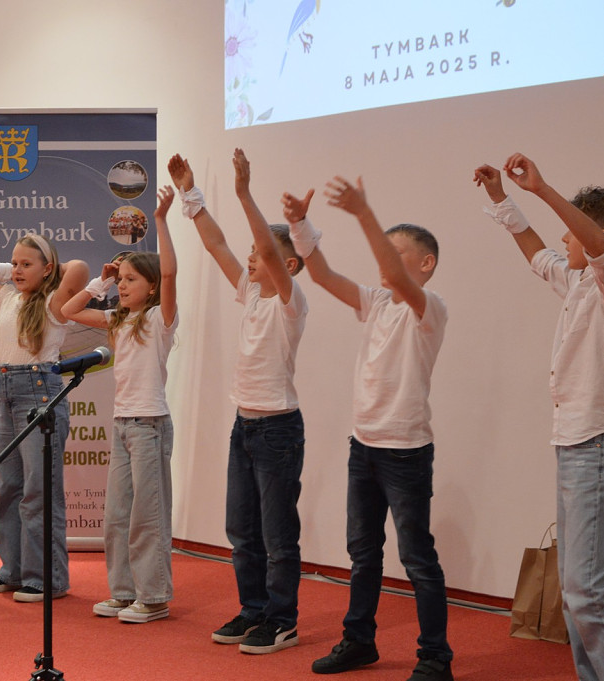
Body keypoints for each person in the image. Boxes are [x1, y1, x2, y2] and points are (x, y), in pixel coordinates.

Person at [474, 153, 604, 681]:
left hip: (599, 441)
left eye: (571, 231)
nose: (563, 239)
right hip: (577, 441)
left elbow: (600, 248)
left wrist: (542, 189)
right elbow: (537, 254)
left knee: (590, 590)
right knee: (578, 590)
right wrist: (501, 199)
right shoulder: (580, 285)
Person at [287, 177, 454, 681]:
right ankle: (359, 641)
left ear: (425, 263)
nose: (385, 262)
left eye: (397, 252)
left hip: (406, 452)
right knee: (362, 554)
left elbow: (394, 275)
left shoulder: (429, 306)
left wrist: (363, 213)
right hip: (364, 447)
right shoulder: (376, 302)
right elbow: (321, 274)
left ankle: (435, 657)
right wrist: (300, 224)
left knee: (417, 558)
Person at [169, 149, 308, 654]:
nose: (251, 257)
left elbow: (267, 248)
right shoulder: (251, 292)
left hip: (278, 430)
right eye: (252, 251)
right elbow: (216, 244)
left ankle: (282, 619)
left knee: (277, 533)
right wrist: (190, 193)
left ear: (288, 265)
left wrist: (245, 193)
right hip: (244, 425)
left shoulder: (291, 302)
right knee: (241, 529)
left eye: (261, 252)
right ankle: (253, 610)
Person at [61, 185, 179, 623]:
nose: (124, 285)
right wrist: (104, 280)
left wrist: (161, 220)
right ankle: (124, 591)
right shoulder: (118, 320)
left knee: (148, 515)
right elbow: (69, 310)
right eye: (122, 279)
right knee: (117, 515)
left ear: (152, 287)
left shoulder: (160, 319)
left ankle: (154, 596)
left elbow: (171, 274)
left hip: (149, 424)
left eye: (131, 279)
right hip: (123, 425)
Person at [0, 236, 88, 602]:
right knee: (10, 487)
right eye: (13, 263)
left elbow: (79, 268)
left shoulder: (54, 301)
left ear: (48, 269)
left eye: (26, 264)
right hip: (7, 396)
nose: (16, 270)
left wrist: (47, 270)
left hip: (39, 394)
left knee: (38, 492)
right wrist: (10, 271)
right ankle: (12, 569)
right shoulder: (5, 298)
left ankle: (45, 577)